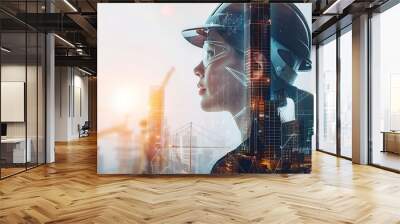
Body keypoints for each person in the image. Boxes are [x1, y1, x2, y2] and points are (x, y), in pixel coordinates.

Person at [182, 3, 313, 174]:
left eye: (211, 53)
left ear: (255, 67)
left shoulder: (237, 166)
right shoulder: (289, 147)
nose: (197, 70)